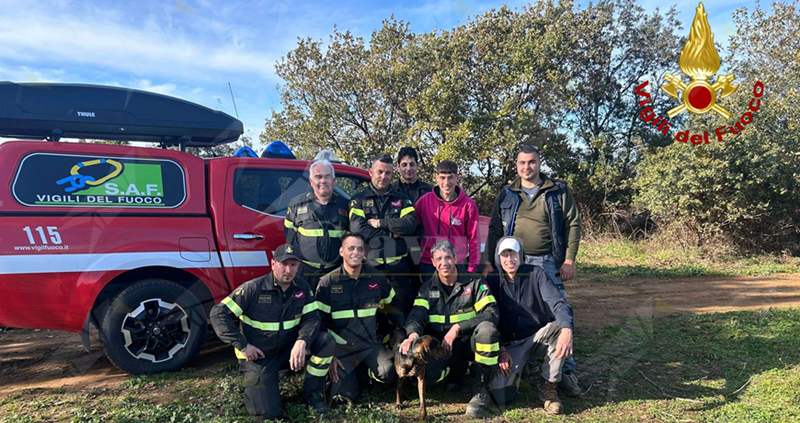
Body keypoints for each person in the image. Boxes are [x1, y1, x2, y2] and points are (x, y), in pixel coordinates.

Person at [482, 144, 583, 397]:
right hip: (512, 260)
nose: (526, 167)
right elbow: (495, 228)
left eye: (531, 162)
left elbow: (573, 223)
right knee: (514, 307)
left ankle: (564, 373)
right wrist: (488, 260)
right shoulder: (506, 193)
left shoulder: (557, 191)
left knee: (557, 312)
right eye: (522, 163)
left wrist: (569, 259)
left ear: (539, 163)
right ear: (516, 165)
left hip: (547, 261)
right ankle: (522, 357)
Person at [210, 244, 333, 421]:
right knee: (266, 414)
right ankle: (258, 379)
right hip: (258, 356)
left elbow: (312, 318)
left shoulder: (302, 288)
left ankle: (313, 393)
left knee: (325, 341)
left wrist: (302, 341)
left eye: (293, 265)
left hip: (287, 350)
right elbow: (218, 314)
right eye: (284, 264)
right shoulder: (253, 289)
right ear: (273, 263)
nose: (288, 270)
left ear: (298, 266)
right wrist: (243, 345)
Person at [400, 240, 501, 418]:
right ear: (432, 262)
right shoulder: (427, 288)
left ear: (455, 258)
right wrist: (412, 334)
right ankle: (457, 372)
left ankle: (483, 388)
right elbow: (417, 314)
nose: (444, 263)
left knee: (488, 330)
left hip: (470, 342)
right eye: (439, 259)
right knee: (429, 376)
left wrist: (458, 328)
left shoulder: (475, 282)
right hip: (443, 348)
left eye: (448, 257)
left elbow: (492, 313)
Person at [487, 236, 574, 416]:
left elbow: (558, 303)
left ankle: (549, 386)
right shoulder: (493, 281)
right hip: (510, 345)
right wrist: (500, 348)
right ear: (498, 257)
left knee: (559, 326)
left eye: (514, 254)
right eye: (505, 255)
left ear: (521, 255)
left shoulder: (537, 273)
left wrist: (567, 328)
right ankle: (520, 369)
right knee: (501, 394)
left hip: (537, 337)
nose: (510, 260)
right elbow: (488, 318)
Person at [315, 232, 406, 403]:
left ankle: (365, 371)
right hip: (340, 348)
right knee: (345, 397)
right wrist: (329, 354)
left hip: (369, 343)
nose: (355, 252)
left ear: (364, 253)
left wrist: (409, 332)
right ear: (342, 251)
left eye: (360, 249)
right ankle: (355, 376)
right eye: (351, 248)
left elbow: (394, 309)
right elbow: (319, 323)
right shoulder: (328, 283)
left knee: (388, 372)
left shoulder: (377, 278)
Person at [349, 153, 417, 317]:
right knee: (372, 315)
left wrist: (380, 223)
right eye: (379, 172)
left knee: (400, 315)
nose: (383, 176)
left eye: (387, 173)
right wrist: (392, 235)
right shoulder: (358, 200)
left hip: (398, 269)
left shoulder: (402, 199)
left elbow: (409, 225)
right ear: (370, 172)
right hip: (370, 268)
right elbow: (360, 230)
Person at [284, 155, 350, 292]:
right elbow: (290, 237)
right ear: (311, 181)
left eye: (327, 177)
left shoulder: (346, 205)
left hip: (335, 272)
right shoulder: (296, 204)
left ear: (334, 181)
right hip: (305, 272)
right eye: (318, 177)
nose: (323, 181)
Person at [416, 160, 480, 280]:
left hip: (457, 264)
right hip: (430, 264)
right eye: (442, 177)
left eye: (450, 177)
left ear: (457, 178)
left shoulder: (469, 205)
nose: (446, 182)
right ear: (436, 178)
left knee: (457, 299)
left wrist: (472, 269)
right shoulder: (425, 201)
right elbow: (411, 225)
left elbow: (474, 239)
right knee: (430, 299)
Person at [391, 146, 433, 295]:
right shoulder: (390, 190)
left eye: (412, 164)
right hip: (397, 247)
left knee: (420, 286)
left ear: (417, 165)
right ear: (398, 167)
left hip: (421, 245)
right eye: (404, 164)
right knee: (400, 289)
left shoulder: (430, 191)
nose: (408, 168)